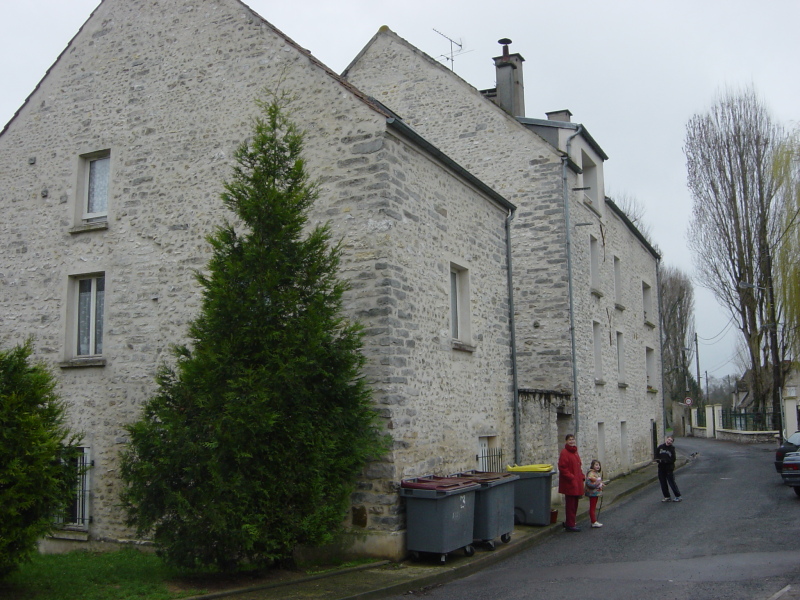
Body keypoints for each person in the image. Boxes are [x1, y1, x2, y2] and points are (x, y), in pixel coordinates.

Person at [558, 434, 585, 532]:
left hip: (576, 482)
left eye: (573, 439)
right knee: (570, 505)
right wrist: (571, 477)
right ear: (566, 441)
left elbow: (579, 466)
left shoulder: (575, 452)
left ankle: (572, 522)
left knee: (575, 504)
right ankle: (570, 524)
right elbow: (562, 468)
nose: (572, 441)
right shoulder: (564, 453)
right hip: (570, 483)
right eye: (569, 440)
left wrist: (581, 476)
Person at [655, 435, 682, 502]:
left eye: (671, 441)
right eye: (668, 439)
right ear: (666, 439)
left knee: (671, 482)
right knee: (663, 483)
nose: (669, 441)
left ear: (672, 442)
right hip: (661, 468)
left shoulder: (672, 449)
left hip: (669, 468)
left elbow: (673, 459)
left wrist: (666, 461)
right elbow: (656, 455)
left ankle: (678, 496)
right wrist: (658, 460)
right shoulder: (660, 447)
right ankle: (667, 496)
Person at [584, 459, 604, 528]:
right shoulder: (591, 473)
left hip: (596, 493)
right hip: (592, 493)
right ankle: (593, 521)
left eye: (598, 465)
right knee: (592, 507)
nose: (598, 466)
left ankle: (594, 520)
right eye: (596, 465)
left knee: (594, 507)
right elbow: (589, 483)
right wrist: (597, 484)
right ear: (592, 466)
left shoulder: (596, 473)